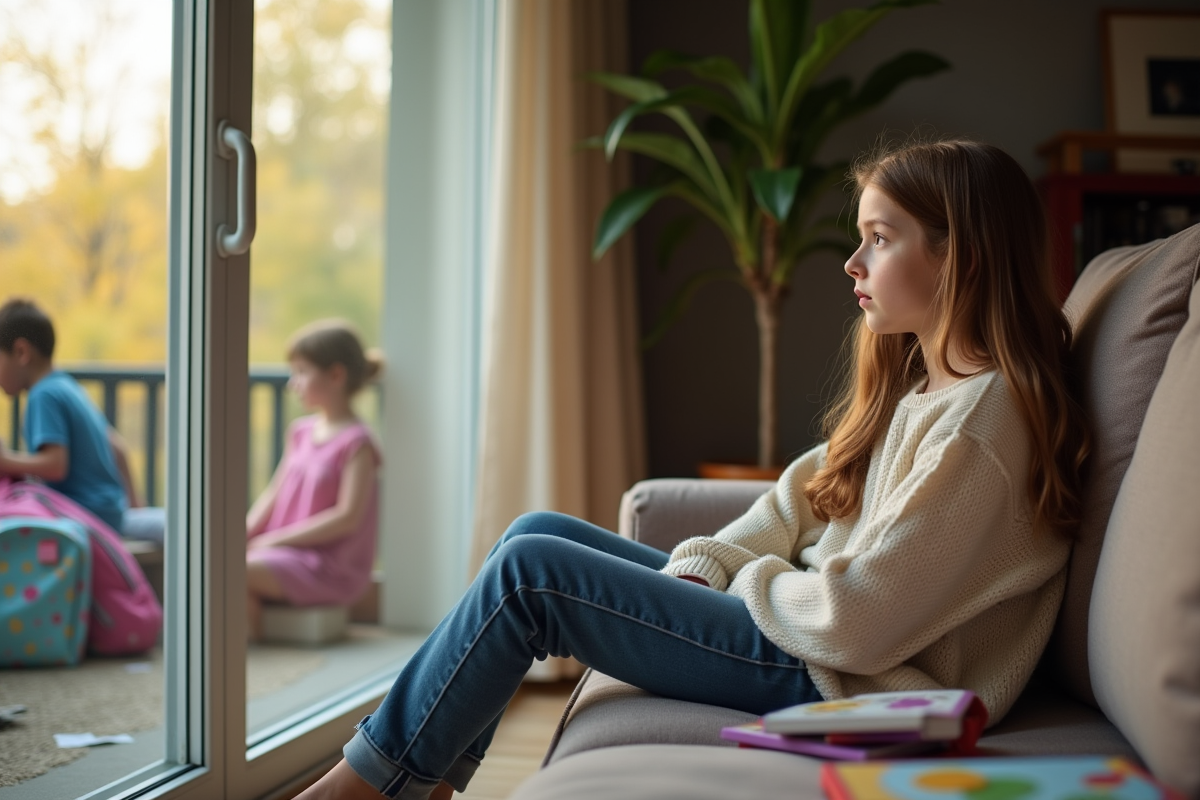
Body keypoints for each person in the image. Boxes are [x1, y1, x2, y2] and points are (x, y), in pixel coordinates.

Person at [297, 139, 1091, 800]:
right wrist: (707, 564)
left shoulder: (984, 422)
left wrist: (741, 583)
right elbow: (802, 499)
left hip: (843, 675)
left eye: (880, 239)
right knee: (534, 532)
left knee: (532, 575)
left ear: (963, 256)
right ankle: (424, 779)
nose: (852, 262)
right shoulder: (926, 386)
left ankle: (364, 786)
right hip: (809, 637)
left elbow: (860, 618)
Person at [246, 319, 384, 641]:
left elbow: (346, 519)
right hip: (283, 552)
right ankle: (246, 646)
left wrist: (272, 541)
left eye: (302, 372)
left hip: (326, 566)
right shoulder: (300, 432)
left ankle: (249, 653)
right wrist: (246, 533)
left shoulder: (357, 442)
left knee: (233, 571)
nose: (293, 383)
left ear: (336, 375)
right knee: (223, 562)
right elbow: (274, 493)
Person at [0, 298, 165, 541]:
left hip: (85, 518)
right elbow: (117, 447)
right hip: (109, 512)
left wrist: (7, 461)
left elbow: (55, 466)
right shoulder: (67, 387)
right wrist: (134, 506)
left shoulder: (42, 396)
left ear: (21, 352)